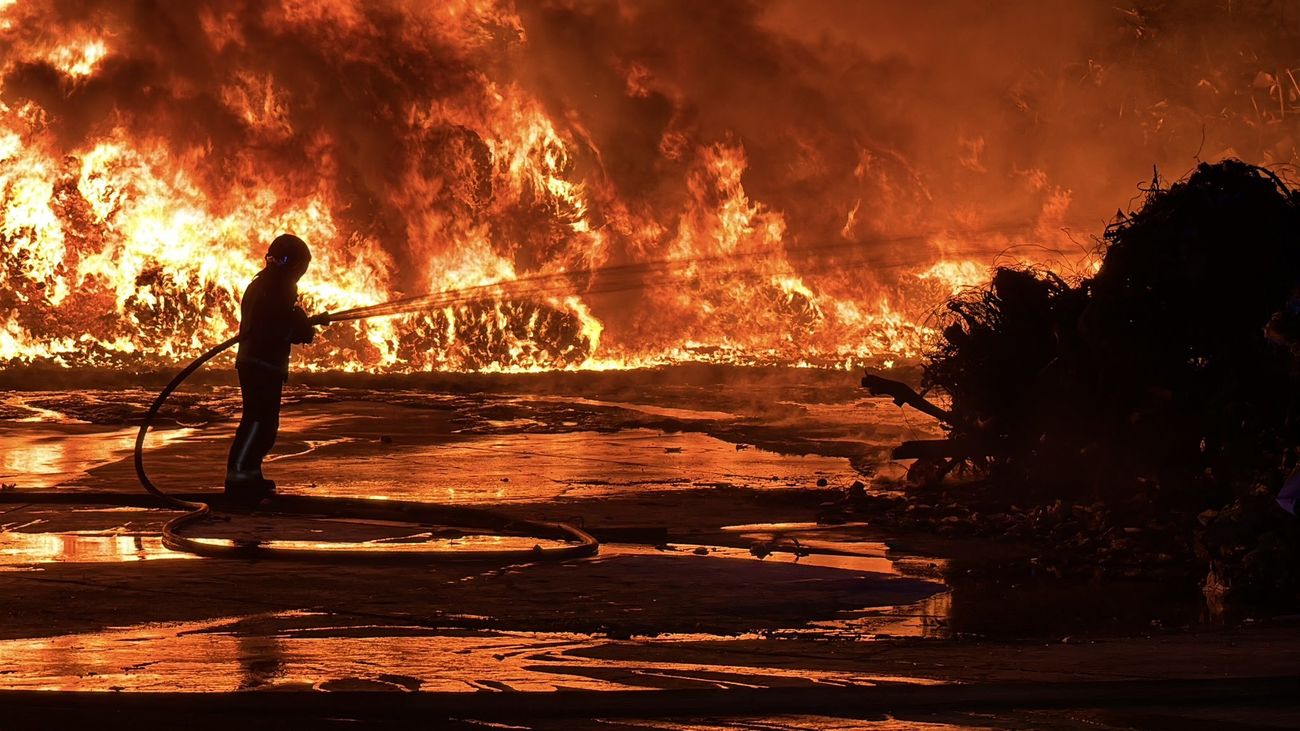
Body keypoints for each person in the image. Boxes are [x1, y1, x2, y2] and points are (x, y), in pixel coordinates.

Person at [225, 234, 318, 502]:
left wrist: (298, 323)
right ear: (291, 264)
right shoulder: (273, 289)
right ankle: (239, 474)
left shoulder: (268, 286)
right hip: (260, 364)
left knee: (266, 423)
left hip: (264, 364)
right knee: (257, 421)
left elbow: (280, 325)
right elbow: (274, 329)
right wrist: (299, 326)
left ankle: (250, 472)